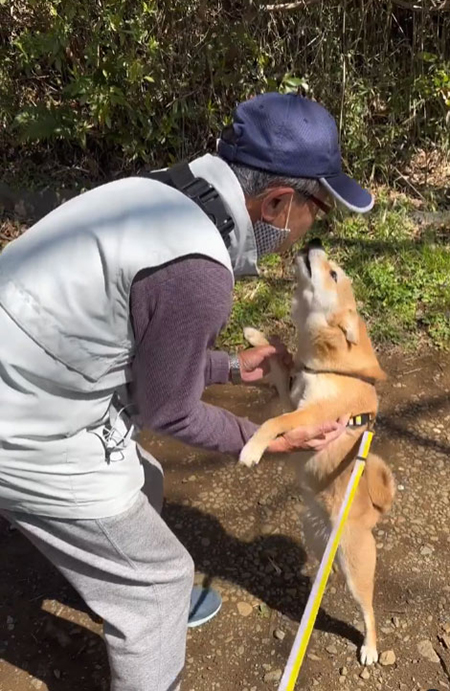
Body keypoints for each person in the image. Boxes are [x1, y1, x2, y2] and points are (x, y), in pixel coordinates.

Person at [0, 93, 374, 691]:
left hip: (32, 364)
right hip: (25, 422)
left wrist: (228, 367)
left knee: (146, 479)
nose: (313, 227)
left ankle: (121, 585)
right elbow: (166, 408)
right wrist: (266, 439)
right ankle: (145, 608)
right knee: (161, 581)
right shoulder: (198, 272)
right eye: (318, 211)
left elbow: (137, 345)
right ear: (280, 200)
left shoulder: (168, 191)